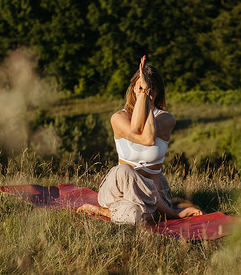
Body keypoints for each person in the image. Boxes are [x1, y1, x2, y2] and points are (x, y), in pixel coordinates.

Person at [77, 55, 203, 225]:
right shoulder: (119, 117)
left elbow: (149, 138)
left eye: (150, 89)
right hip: (119, 190)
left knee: (136, 215)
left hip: (154, 191)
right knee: (125, 170)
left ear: (157, 92)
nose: (144, 92)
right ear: (133, 89)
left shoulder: (167, 119)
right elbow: (137, 130)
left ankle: (113, 212)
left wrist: (145, 97)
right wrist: (144, 94)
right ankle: (169, 213)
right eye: (139, 88)